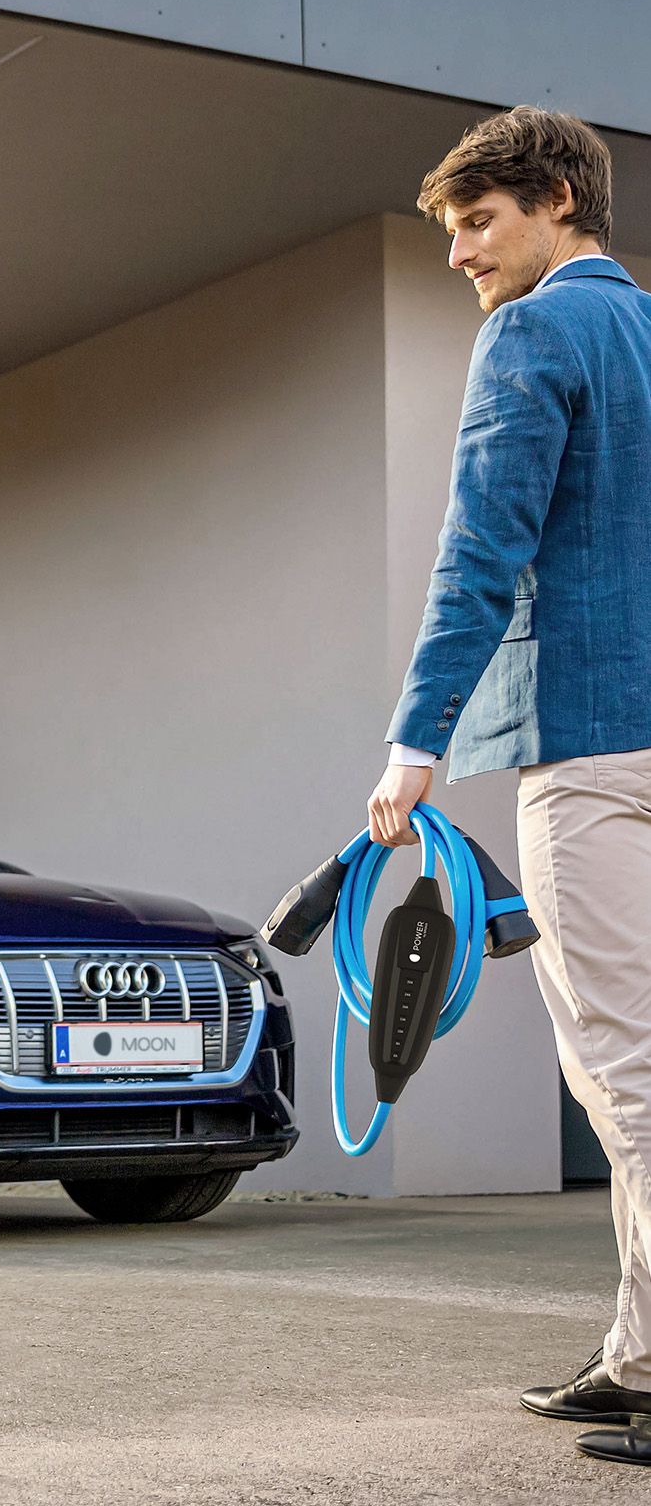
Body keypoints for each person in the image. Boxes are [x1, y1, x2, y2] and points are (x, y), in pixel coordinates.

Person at [369, 105, 651, 1470]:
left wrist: (413, 741)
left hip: (592, 751)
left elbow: (482, 545)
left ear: (556, 203)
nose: (461, 256)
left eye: (478, 223)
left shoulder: (535, 333)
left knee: (625, 1071)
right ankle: (637, 1352)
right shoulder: (650, 334)